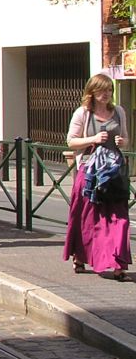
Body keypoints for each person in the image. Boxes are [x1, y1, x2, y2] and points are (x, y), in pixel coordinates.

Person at [63, 73, 131, 281]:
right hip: (90, 173)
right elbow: (71, 141)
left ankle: (118, 265)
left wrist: (122, 142)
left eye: (109, 90)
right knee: (87, 218)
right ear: (92, 92)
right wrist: (92, 138)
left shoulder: (119, 111)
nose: (106, 94)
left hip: (114, 173)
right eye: (102, 90)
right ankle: (80, 256)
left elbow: (127, 139)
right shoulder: (83, 113)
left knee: (119, 219)